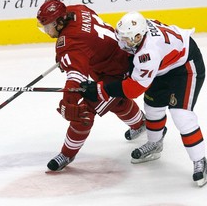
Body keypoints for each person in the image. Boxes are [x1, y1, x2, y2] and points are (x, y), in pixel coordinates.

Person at [80, 11, 206, 187]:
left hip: (185, 68)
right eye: (121, 37)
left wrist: (101, 89)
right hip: (163, 67)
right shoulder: (139, 31)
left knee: (181, 115)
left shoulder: (148, 53)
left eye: (126, 39)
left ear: (139, 36)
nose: (122, 43)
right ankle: (155, 144)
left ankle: (200, 160)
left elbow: (133, 89)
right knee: (152, 108)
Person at [36, 0, 146, 172]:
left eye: (47, 26)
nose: (46, 30)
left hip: (118, 72)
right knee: (116, 102)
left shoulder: (70, 44)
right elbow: (88, 41)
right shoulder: (77, 10)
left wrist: (69, 102)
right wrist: (68, 56)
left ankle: (67, 154)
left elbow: (76, 78)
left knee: (83, 112)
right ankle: (140, 124)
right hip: (116, 58)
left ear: (58, 22)